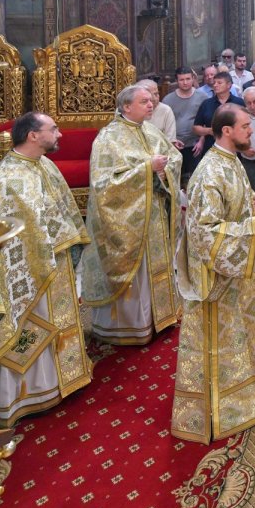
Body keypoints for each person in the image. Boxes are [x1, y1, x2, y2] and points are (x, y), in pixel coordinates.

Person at [173, 105, 255, 443]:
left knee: (248, 330)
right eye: (244, 126)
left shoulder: (230, 161)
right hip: (219, 277)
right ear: (227, 131)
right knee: (226, 341)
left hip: (242, 268)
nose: (250, 131)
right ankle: (224, 406)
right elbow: (203, 233)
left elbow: (242, 199)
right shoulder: (208, 173)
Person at [0, 111, 93, 426]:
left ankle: (62, 379)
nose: (60, 134)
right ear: (33, 135)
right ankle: (31, 393)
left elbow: (63, 209)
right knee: (36, 323)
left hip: (55, 262)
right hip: (29, 272)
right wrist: (41, 255)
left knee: (60, 320)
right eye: (53, 129)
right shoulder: (6, 179)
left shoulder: (44, 164)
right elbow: (6, 236)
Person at [79, 85, 183, 345]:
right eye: (144, 101)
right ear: (126, 106)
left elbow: (174, 157)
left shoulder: (150, 130)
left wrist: (163, 170)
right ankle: (131, 326)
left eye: (152, 100)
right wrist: (147, 168)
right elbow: (104, 184)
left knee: (156, 267)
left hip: (155, 212)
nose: (151, 105)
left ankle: (159, 317)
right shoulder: (108, 138)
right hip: (129, 222)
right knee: (136, 271)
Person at [164, 66, 209, 180]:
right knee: (176, 178)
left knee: (196, 178)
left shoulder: (202, 97)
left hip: (196, 144)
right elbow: (165, 124)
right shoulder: (168, 99)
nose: (185, 82)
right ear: (177, 81)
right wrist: (171, 142)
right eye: (181, 80)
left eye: (188, 79)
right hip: (175, 145)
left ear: (193, 79)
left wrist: (202, 141)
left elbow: (207, 122)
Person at [193, 71, 240, 157]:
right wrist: (209, 131)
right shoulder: (206, 104)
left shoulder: (239, 103)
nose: (215, 85)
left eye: (219, 83)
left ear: (229, 85)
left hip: (235, 149)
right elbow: (196, 127)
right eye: (214, 83)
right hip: (211, 149)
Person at [137, 79, 178, 145]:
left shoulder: (166, 110)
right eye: (149, 95)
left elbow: (170, 141)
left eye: (156, 94)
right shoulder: (132, 110)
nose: (155, 98)